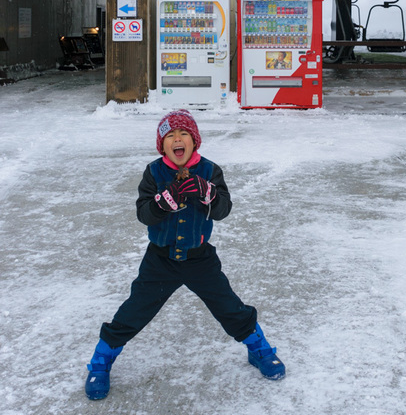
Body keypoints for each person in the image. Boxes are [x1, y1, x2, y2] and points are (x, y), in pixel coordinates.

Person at [85, 109, 285, 400]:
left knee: (229, 307)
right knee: (134, 311)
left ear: (194, 141)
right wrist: (164, 201)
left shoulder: (210, 170)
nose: (177, 139)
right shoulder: (154, 172)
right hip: (160, 260)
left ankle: (260, 350)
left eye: (183, 134)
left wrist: (208, 192)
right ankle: (100, 363)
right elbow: (144, 214)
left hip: (199, 258)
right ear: (162, 144)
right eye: (170, 136)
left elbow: (223, 210)